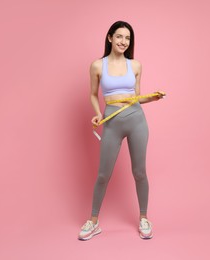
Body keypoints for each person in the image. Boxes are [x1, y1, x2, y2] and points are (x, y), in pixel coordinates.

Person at [78, 21, 164, 241]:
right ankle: (93, 221)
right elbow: (92, 94)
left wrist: (152, 98)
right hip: (112, 122)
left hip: (136, 120)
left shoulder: (135, 65)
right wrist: (98, 113)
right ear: (110, 38)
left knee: (139, 172)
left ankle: (144, 217)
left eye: (127, 38)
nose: (123, 42)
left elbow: (136, 97)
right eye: (119, 37)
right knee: (103, 174)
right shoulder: (97, 65)